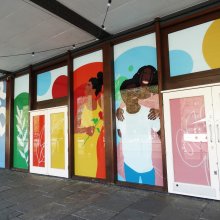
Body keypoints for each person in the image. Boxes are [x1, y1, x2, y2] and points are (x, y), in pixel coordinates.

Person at [116, 74, 160, 185]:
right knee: (130, 194)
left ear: (138, 94)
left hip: (147, 167)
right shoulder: (120, 115)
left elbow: (160, 130)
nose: (131, 95)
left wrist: (160, 113)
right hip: (129, 165)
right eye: (126, 93)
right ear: (122, 96)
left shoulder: (149, 112)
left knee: (152, 196)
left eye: (134, 92)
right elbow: (119, 133)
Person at [74, 72, 105, 178]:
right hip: (84, 147)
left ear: (94, 88)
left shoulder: (101, 102)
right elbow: (74, 129)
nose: (85, 86)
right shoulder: (81, 106)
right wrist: (86, 129)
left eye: (88, 85)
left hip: (98, 145)